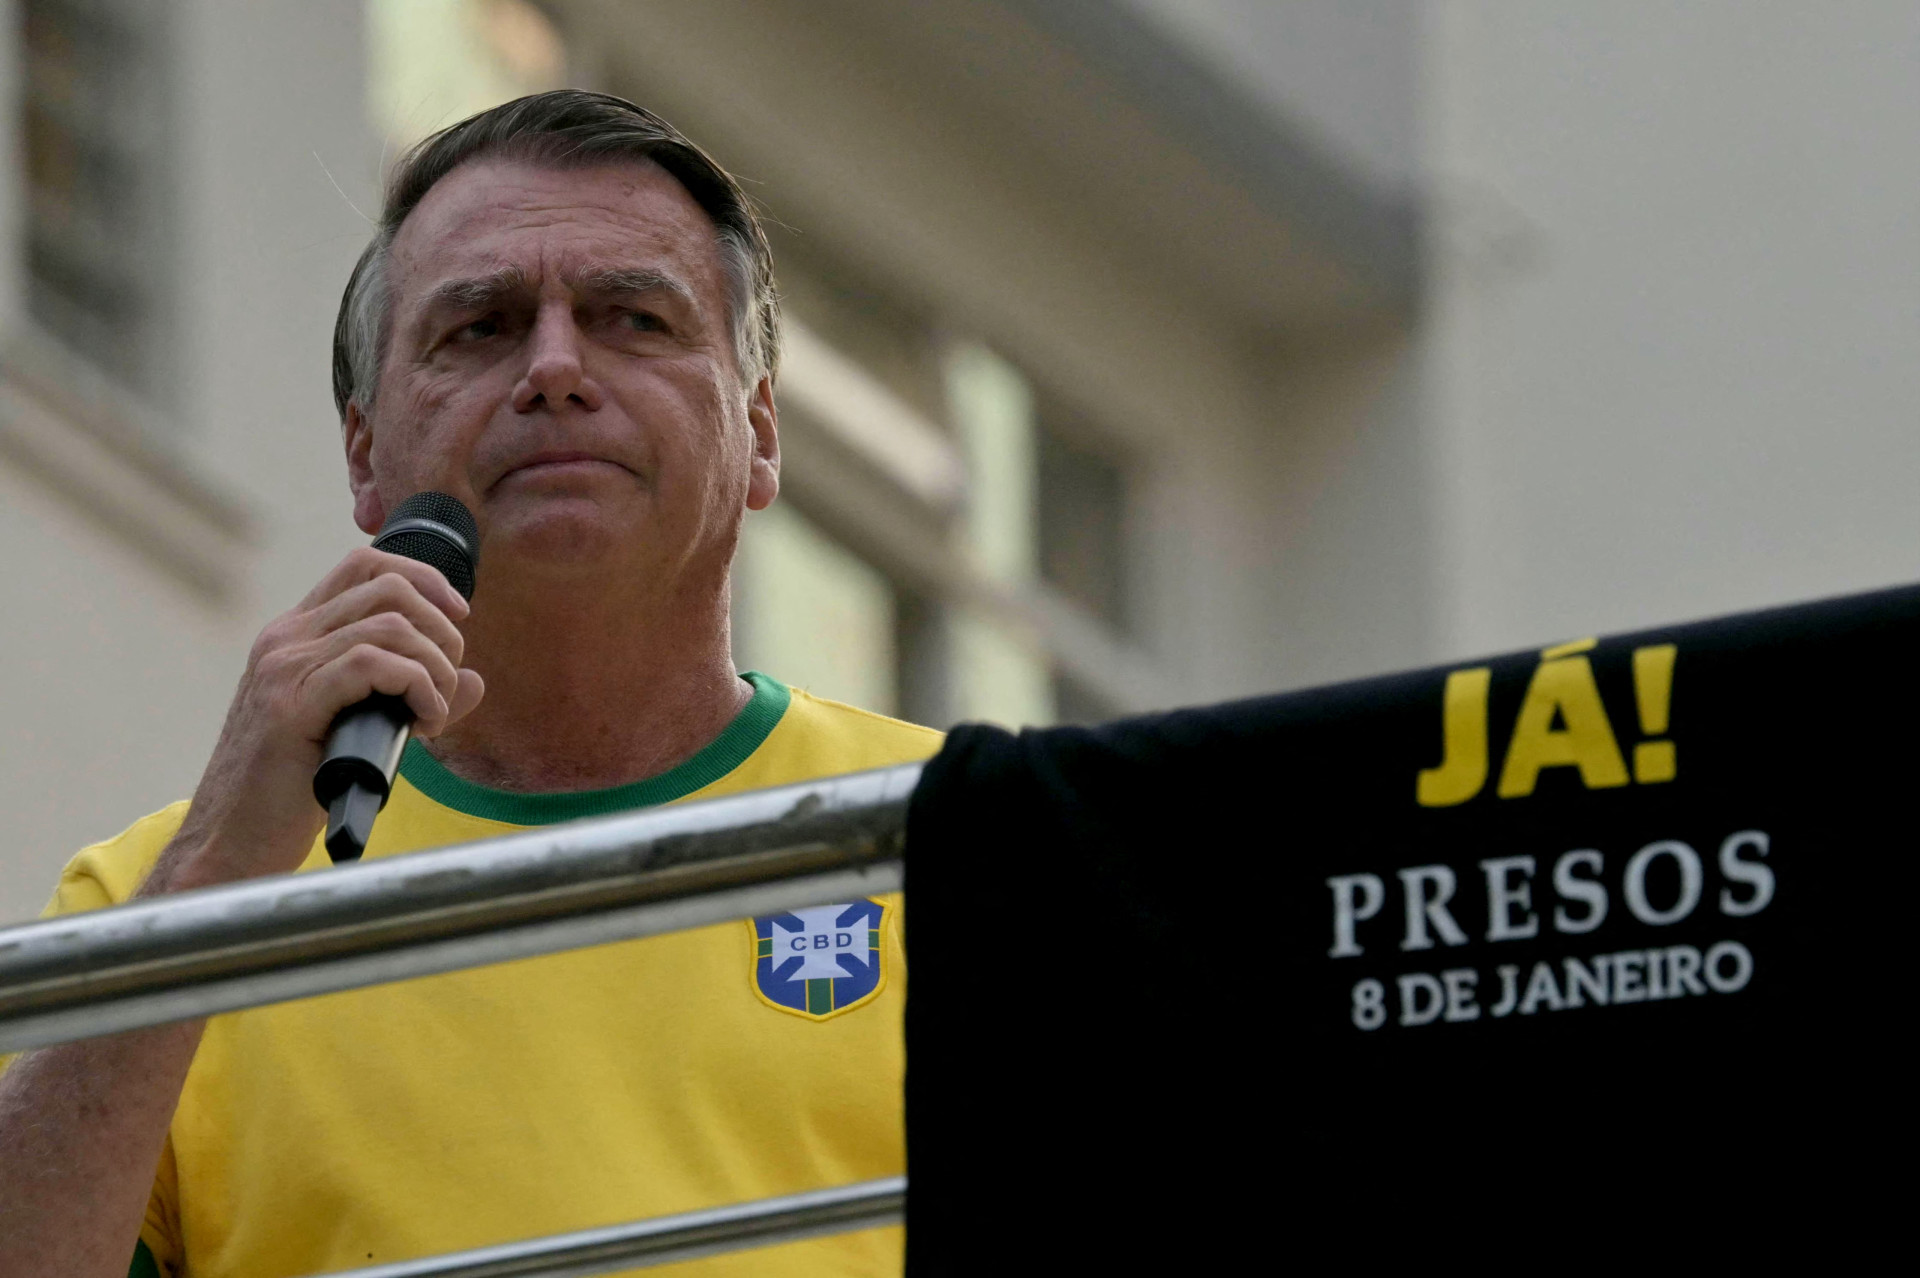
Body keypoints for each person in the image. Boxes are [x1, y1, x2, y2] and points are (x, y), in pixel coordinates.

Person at [0, 91, 935, 1278]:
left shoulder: (956, 831)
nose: (553, 368)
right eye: (479, 328)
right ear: (363, 455)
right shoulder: (155, 899)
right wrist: (212, 873)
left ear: (760, 430)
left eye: (632, 318)